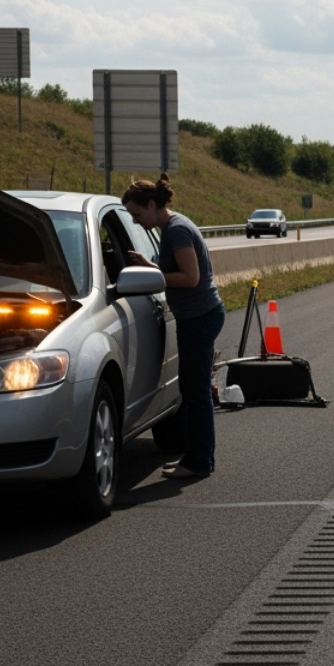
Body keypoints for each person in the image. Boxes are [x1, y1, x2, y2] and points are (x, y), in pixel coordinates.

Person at [122, 174, 224, 479]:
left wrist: (156, 276)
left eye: (137, 214)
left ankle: (197, 463)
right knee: (194, 390)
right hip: (198, 315)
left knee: (195, 393)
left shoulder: (176, 231)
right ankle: (198, 458)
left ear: (152, 205)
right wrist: (150, 267)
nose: (136, 221)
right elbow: (179, 272)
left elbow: (191, 278)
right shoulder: (173, 226)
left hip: (199, 317)